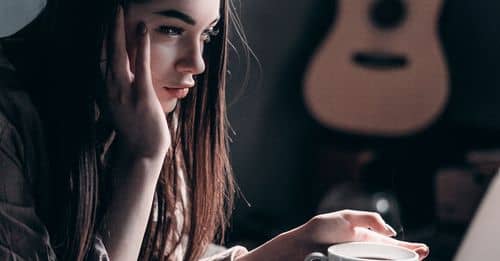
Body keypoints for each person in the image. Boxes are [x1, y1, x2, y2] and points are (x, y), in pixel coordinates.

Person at [0, 0, 430, 260]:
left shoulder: (138, 114)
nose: (197, 64)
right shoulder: (9, 121)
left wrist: (296, 245)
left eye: (207, 34)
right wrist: (146, 160)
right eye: (171, 29)